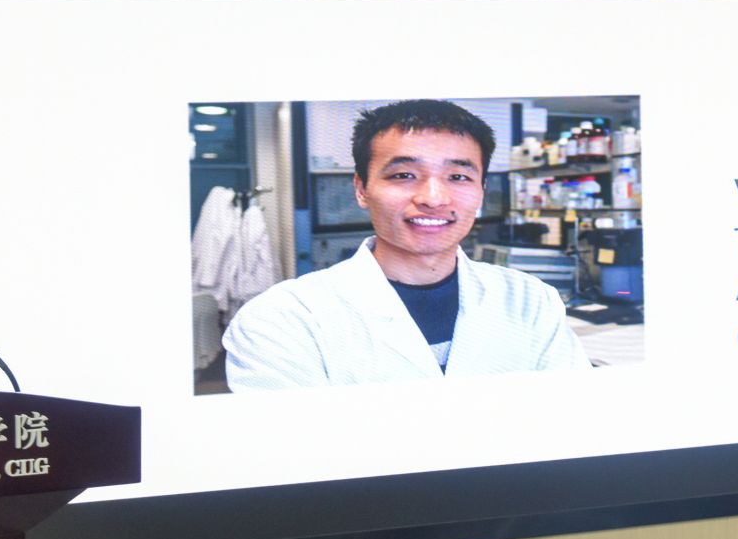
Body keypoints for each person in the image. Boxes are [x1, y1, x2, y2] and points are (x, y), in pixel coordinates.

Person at [223, 99, 589, 389]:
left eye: (458, 176)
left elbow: (568, 423)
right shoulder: (281, 320)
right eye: (404, 175)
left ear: (480, 191)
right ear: (361, 189)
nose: (433, 198)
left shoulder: (532, 301)